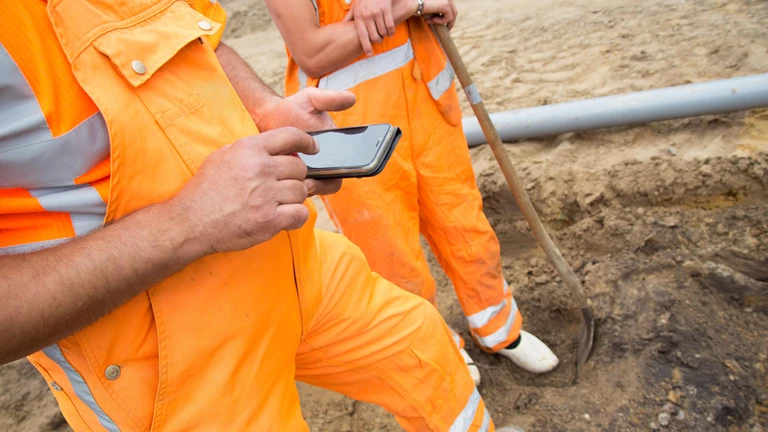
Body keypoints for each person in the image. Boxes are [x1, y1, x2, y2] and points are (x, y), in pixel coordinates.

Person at [0, 0, 501, 430]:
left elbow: (200, 38)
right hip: (161, 358)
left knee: (423, 349)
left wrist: (265, 109)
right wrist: (188, 222)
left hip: (288, 258)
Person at [266, 0, 560, 385]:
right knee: (392, 256)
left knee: (465, 226)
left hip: (427, 103)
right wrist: (405, 6)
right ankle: (435, 346)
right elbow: (314, 52)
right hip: (359, 130)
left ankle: (500, 328)